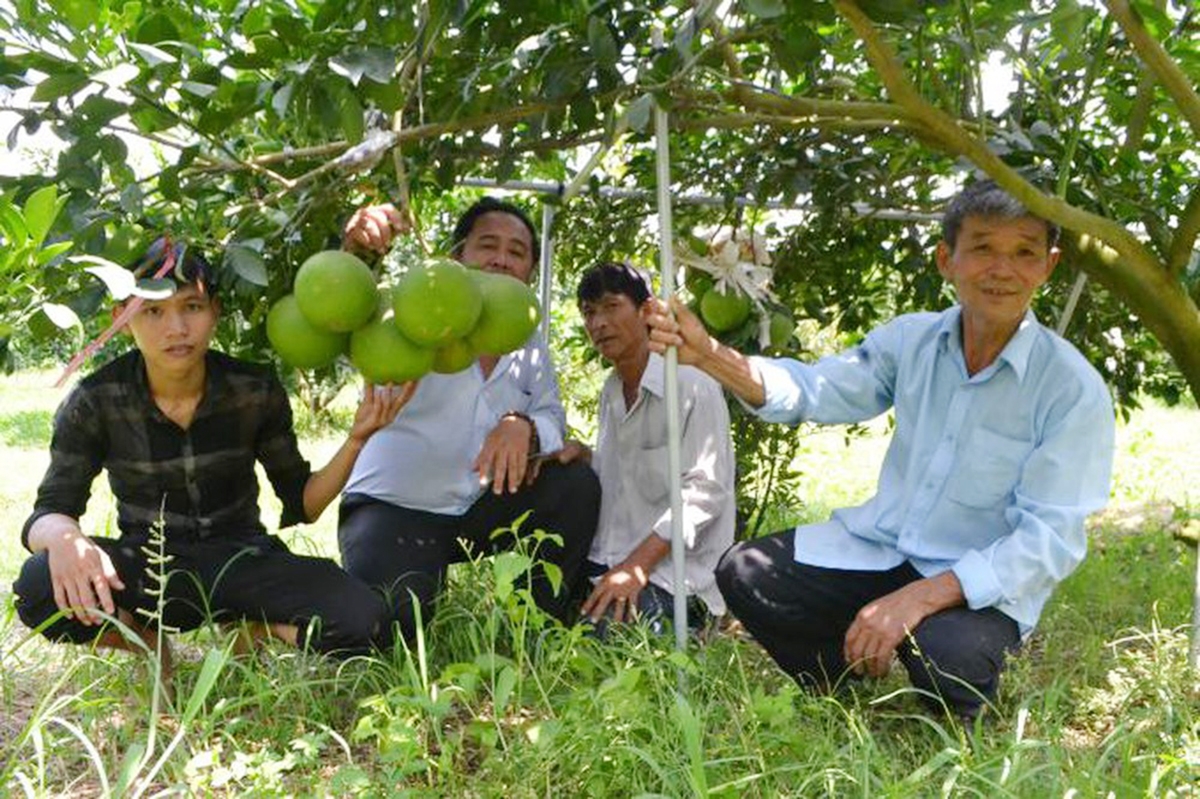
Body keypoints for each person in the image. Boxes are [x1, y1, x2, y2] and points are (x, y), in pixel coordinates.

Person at [645, 179, 1115, 720]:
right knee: (746, 571)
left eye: (1024, 252)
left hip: (975, 580)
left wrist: (918, 599)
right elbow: (818, 389)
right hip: (885, 551)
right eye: (983, 247)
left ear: (1048, 266)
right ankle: (837, 682)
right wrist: (709, 355)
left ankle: (948, 706)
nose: (1002, 269)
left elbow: (1049, 540)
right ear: (947, 260)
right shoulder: (912, 341)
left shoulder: (1070, 388)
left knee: (948, 654)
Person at [13, 237, 410, 666]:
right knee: (39, 588)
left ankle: (256, 628)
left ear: (215, 310)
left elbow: (303, 503)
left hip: (244, 561)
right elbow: (49, 510)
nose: (176, 328)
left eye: (192, 307)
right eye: (153, 311)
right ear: (123, 318)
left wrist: (357, 438)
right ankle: (146, 643)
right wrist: (66, 539)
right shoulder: (96, 399)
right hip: (150, 567)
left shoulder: (254, 389)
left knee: (368, 622)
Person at [337, 198, 601, 641]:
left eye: (517, 252)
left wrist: (524, 426)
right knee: (395, 633)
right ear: (457, 256)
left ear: (530, 271)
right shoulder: (417, 312)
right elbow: (352, 321)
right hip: (395, 509)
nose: (501, 259)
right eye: (488, 245)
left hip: (478, 507)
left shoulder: (525, 337)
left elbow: (551, 413)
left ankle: (536, 631)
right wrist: (357, 253)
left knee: (574, 484)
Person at [549, 262, 735, 636]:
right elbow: (624, 476)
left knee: (604, 640)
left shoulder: (691, 384)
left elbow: (707, 491)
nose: (598, 323)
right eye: (589, 312)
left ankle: (699, 624)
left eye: (611, 306)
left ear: (646, 311)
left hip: (675, 575)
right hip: (610, 559)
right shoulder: (612, 389)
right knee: (539, 617)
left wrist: (636, 566)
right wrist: (588, 458)